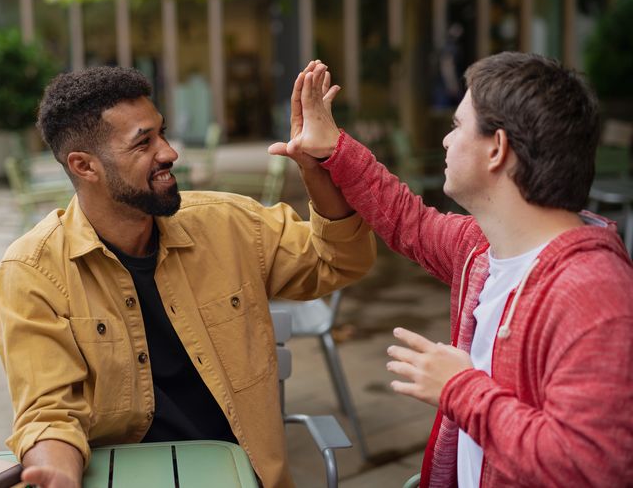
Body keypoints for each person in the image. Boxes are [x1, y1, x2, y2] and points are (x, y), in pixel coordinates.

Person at [0, 63, 376, 488]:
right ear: (84, 166)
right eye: (143, 143)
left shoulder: (227, 223)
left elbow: (339, 261)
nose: (169, 152)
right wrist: (57, 469)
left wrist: (315, 169)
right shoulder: (33, 271)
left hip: (242, 477)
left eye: (162, 133)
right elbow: (48, 411)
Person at [270, 52, 633, 487]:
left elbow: (589, 467)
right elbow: (409, 221)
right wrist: (334, 148)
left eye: (458, 126)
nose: (446, 140)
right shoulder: (482, 249)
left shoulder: (594, 295)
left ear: (497, 149)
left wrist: (460, 388)